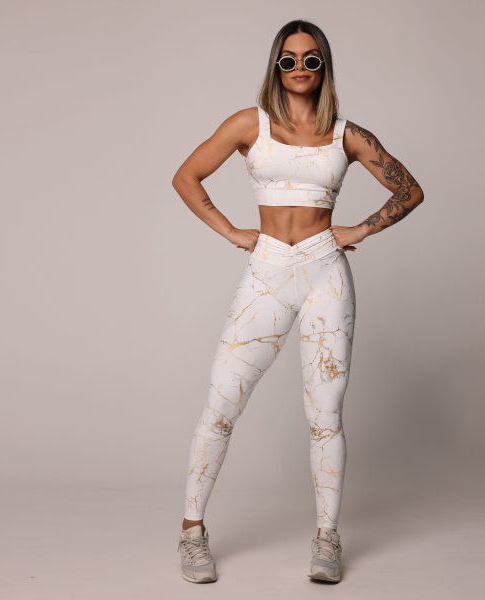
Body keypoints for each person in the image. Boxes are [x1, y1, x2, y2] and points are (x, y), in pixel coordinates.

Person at [171, 19, 424, 584]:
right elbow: (186, 176)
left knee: (325, 414)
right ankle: (192, 531)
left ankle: (327, 536)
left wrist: (361, 228)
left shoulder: (346, 134)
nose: (300, 68)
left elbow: (410, 190)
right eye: (289, 59)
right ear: (275, 66)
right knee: (221, 403)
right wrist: (231, 231)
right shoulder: (250, 123)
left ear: (324, 65)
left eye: (312, 59)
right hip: (267, 270)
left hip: (324, 272)